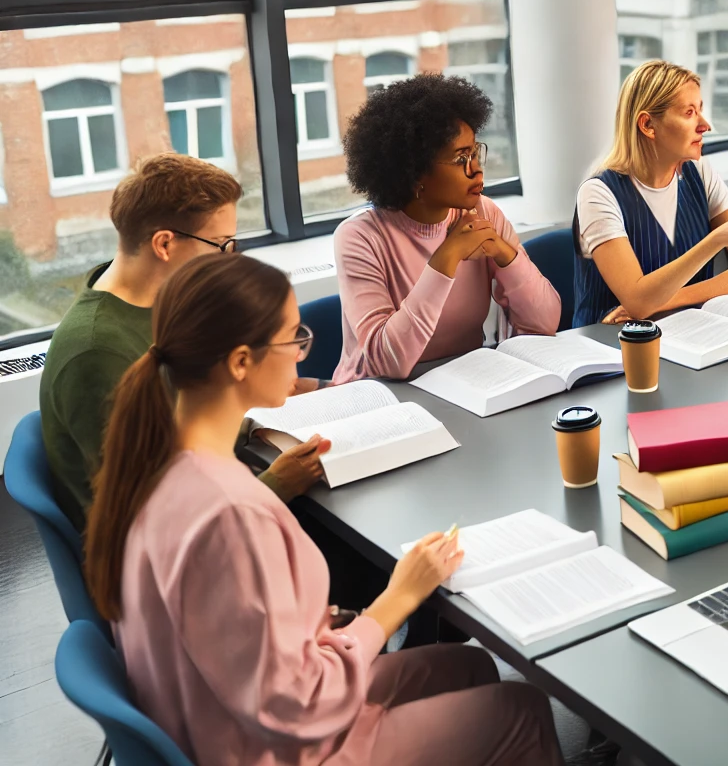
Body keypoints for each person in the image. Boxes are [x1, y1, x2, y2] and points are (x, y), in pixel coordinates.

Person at [83, 255, 560, 765]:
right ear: (241, 362)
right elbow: (301, 704)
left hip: (228, 709)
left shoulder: (157, 462)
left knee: (467, 669)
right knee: (522, 708)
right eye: (293, 339)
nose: (301, 354)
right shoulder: (231, 513)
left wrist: (327, 623)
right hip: (277, 746)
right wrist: (397, 598)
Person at [40, 153, 325, 533]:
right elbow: (153, 514)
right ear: (164, 244)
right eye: (221, 245)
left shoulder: (168, 302)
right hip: (164, 557)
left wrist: (307, 393)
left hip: (217, 489)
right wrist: (277, 485)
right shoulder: (96, 353)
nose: (228, 260)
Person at [333, 74, 560, 383]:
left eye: (475, 152)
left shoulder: (484, 213)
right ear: (415, 176)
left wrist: (505, 255)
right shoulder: (360, 238)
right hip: (380, 399)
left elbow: (545, 323)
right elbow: (389, 362)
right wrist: (447, 256)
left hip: (465, 388)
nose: (476, 169)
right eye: (460, 158)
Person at [572, 60, 728, 326]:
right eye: (689, 113)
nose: (705, 125)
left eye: (700, 110)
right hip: (611, 345)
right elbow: (637, 300)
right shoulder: (598, 194)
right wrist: (716, 240)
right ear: (647, 125)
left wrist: (669, 299)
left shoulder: (699, 171)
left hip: (687, 331)